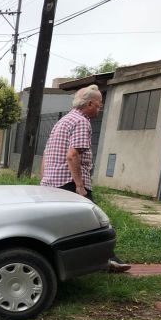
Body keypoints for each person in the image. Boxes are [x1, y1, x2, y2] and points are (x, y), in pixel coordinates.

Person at [40, 84, 130, 273]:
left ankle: (93, 259)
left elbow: (46, 154)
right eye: (99, 104)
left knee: (63, 225)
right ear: (89, 104)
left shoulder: (63, 121)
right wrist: (80, 186)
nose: (100, 108)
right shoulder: (81, 122)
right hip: (70, 183)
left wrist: (45, 180)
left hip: (52, 182)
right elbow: (73, 155)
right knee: (96, 222)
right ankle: (106, 260)